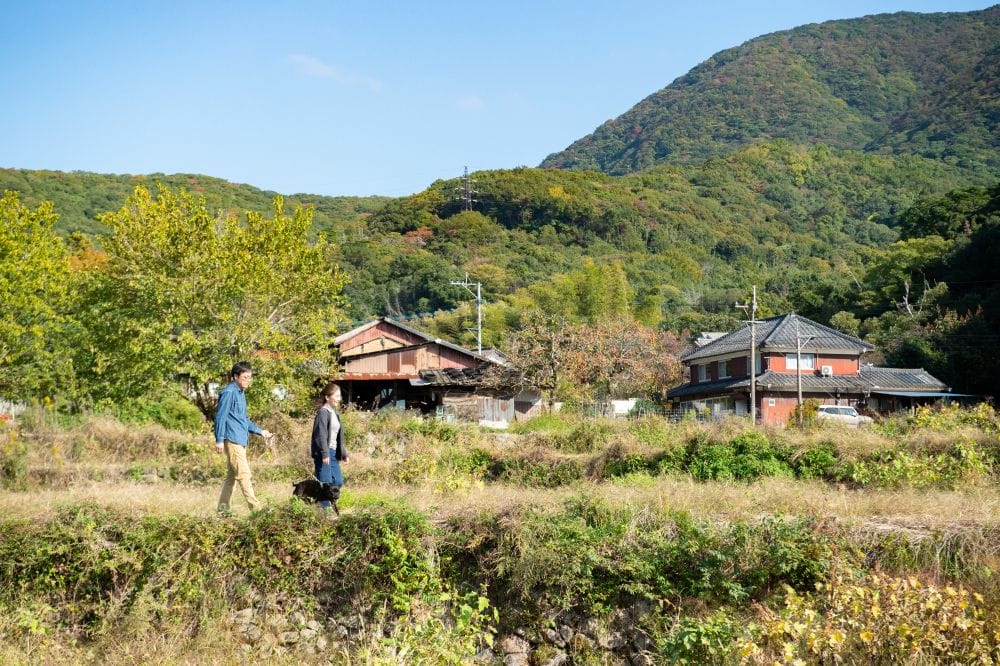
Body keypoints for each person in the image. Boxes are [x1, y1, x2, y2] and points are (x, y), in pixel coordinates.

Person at [215, 361, 273, 514]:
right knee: (244, 474)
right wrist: (219, 440)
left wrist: (261, 432)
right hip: (232, 439)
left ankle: (222, 511)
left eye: (250, 377)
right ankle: (257, 510)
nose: (249, 380)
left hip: (240, 439)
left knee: (231, 478)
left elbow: (243, 419)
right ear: (235, 376)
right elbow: (221, 417)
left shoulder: (241, 393)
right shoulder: (229, 393)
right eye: (245, 377)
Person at [310, 382, 348, 512]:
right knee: (325, 482)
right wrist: (324, 453)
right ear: (327, 397)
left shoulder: (334, 413)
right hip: (324, 453)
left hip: (332, 452)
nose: (339, 399)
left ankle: (322, 505)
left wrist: (343, 454)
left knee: (338, 481)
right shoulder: (323, 413)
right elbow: (320, 435)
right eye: (336, 396)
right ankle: (325, 511)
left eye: (339, 396)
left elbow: (338, 437)